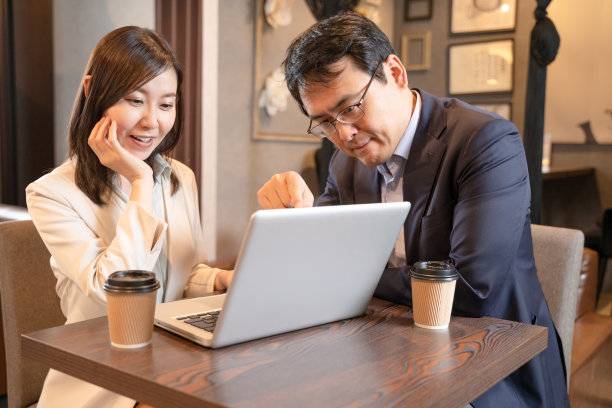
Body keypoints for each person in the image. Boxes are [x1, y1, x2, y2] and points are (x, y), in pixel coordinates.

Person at [257, 12, 569, 408]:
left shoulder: (486, 143)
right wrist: (295, 222)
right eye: (324, 123)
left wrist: (343, 275)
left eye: (351, 107)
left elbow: (471, 290)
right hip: (391, 353)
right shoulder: (344, 163)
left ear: (395, 72)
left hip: (495, 363)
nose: (344, 135)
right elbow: (324, 259)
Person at [26, 26, 232, 408]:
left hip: (173, 362)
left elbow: (180, 276)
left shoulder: (179, 178)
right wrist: (140, 180)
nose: (152, 121)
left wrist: (219, 279)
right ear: (93, 92)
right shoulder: (52, 193)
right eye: (135, 100)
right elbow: (116, 296)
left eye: (166, 104)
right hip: (103, 379)